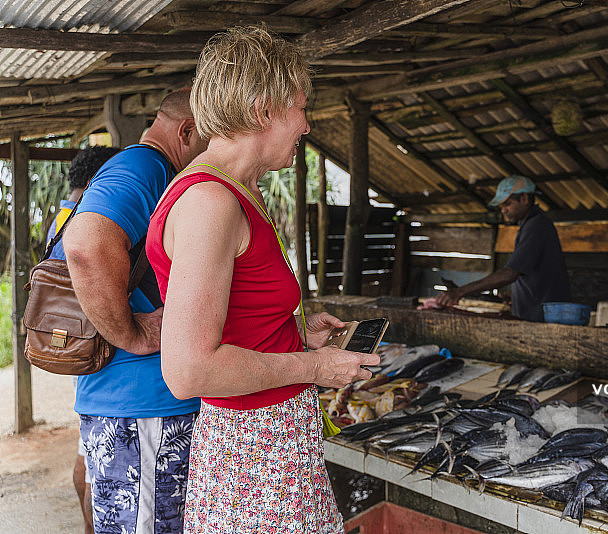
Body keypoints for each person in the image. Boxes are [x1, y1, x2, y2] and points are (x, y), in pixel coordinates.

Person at [144, 25, 378, 533]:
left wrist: (294, 332)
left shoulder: (237, 189)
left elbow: (237, 322)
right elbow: (188, 370)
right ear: (262, 110)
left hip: (272, 445)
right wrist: (313, 366)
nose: (307, 125)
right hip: (254, 455)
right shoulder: (211, 203)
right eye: (300, 106)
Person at [59, 87, 209, 534]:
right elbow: (85, 246)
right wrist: (131, 334)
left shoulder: (146, 169)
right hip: (141, 407)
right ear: (186, 131)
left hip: (144, 406)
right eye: (211, 140)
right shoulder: (143, 166)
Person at [45, 145, 121, 534]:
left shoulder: (60, 216)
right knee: (99, 466)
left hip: (75, 345)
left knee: (88, 453)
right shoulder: (88, 218)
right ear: (100, 179)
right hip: (98, 348)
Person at [435, 175, 571, 321]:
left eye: (507, 204)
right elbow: (539, 272)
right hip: (538, 315)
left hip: (543, 318)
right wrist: (516, 294)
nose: (503, 211)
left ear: (524, 198)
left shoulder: (536, 226)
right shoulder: (531, 225)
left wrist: (459, 292)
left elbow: (510, 274)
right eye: (501, 207)